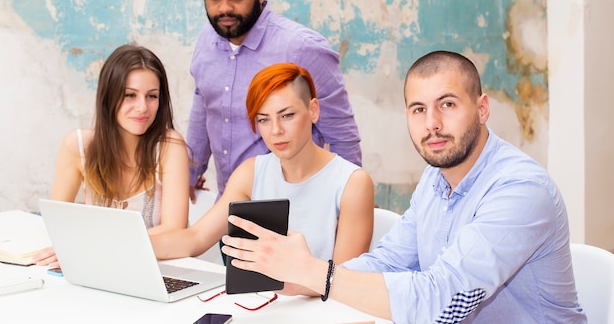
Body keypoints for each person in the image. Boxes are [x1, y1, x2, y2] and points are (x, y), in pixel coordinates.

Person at [221, 51, 587, 323]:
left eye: (447, 104)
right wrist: (298, 276)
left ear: (482, 108)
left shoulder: (521, 189)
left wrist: (317, 274)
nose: (433, 124)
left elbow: (443, 303)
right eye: (418, 109)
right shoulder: (435, 179)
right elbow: (389, 262)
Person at [152, 63, 374, 295]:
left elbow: (343, 281)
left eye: (287, 115)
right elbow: (195, 239)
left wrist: (280, 284)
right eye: (264, 119)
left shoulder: (352, 183)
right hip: (259, 308)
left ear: (313, 110)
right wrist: (124, 247)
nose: (275, 130)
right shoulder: (251, 172)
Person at [187, 0, 362, 202]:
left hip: (297, 212)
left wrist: (351, 204)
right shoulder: (206, 42)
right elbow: (203, 110)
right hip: (229, 209)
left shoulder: (302, 48)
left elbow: (341, 133)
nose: (224, 7)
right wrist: (188, 176)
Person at [34, 44, 190, 267]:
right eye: (130, 95)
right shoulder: (78, 146)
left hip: (159, 268)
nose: (142, 107)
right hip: (99, 267)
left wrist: (91, 247)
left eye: (152, 96)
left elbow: (175, 230)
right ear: (109, 96)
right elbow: (57, 223)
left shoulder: (169, 146)